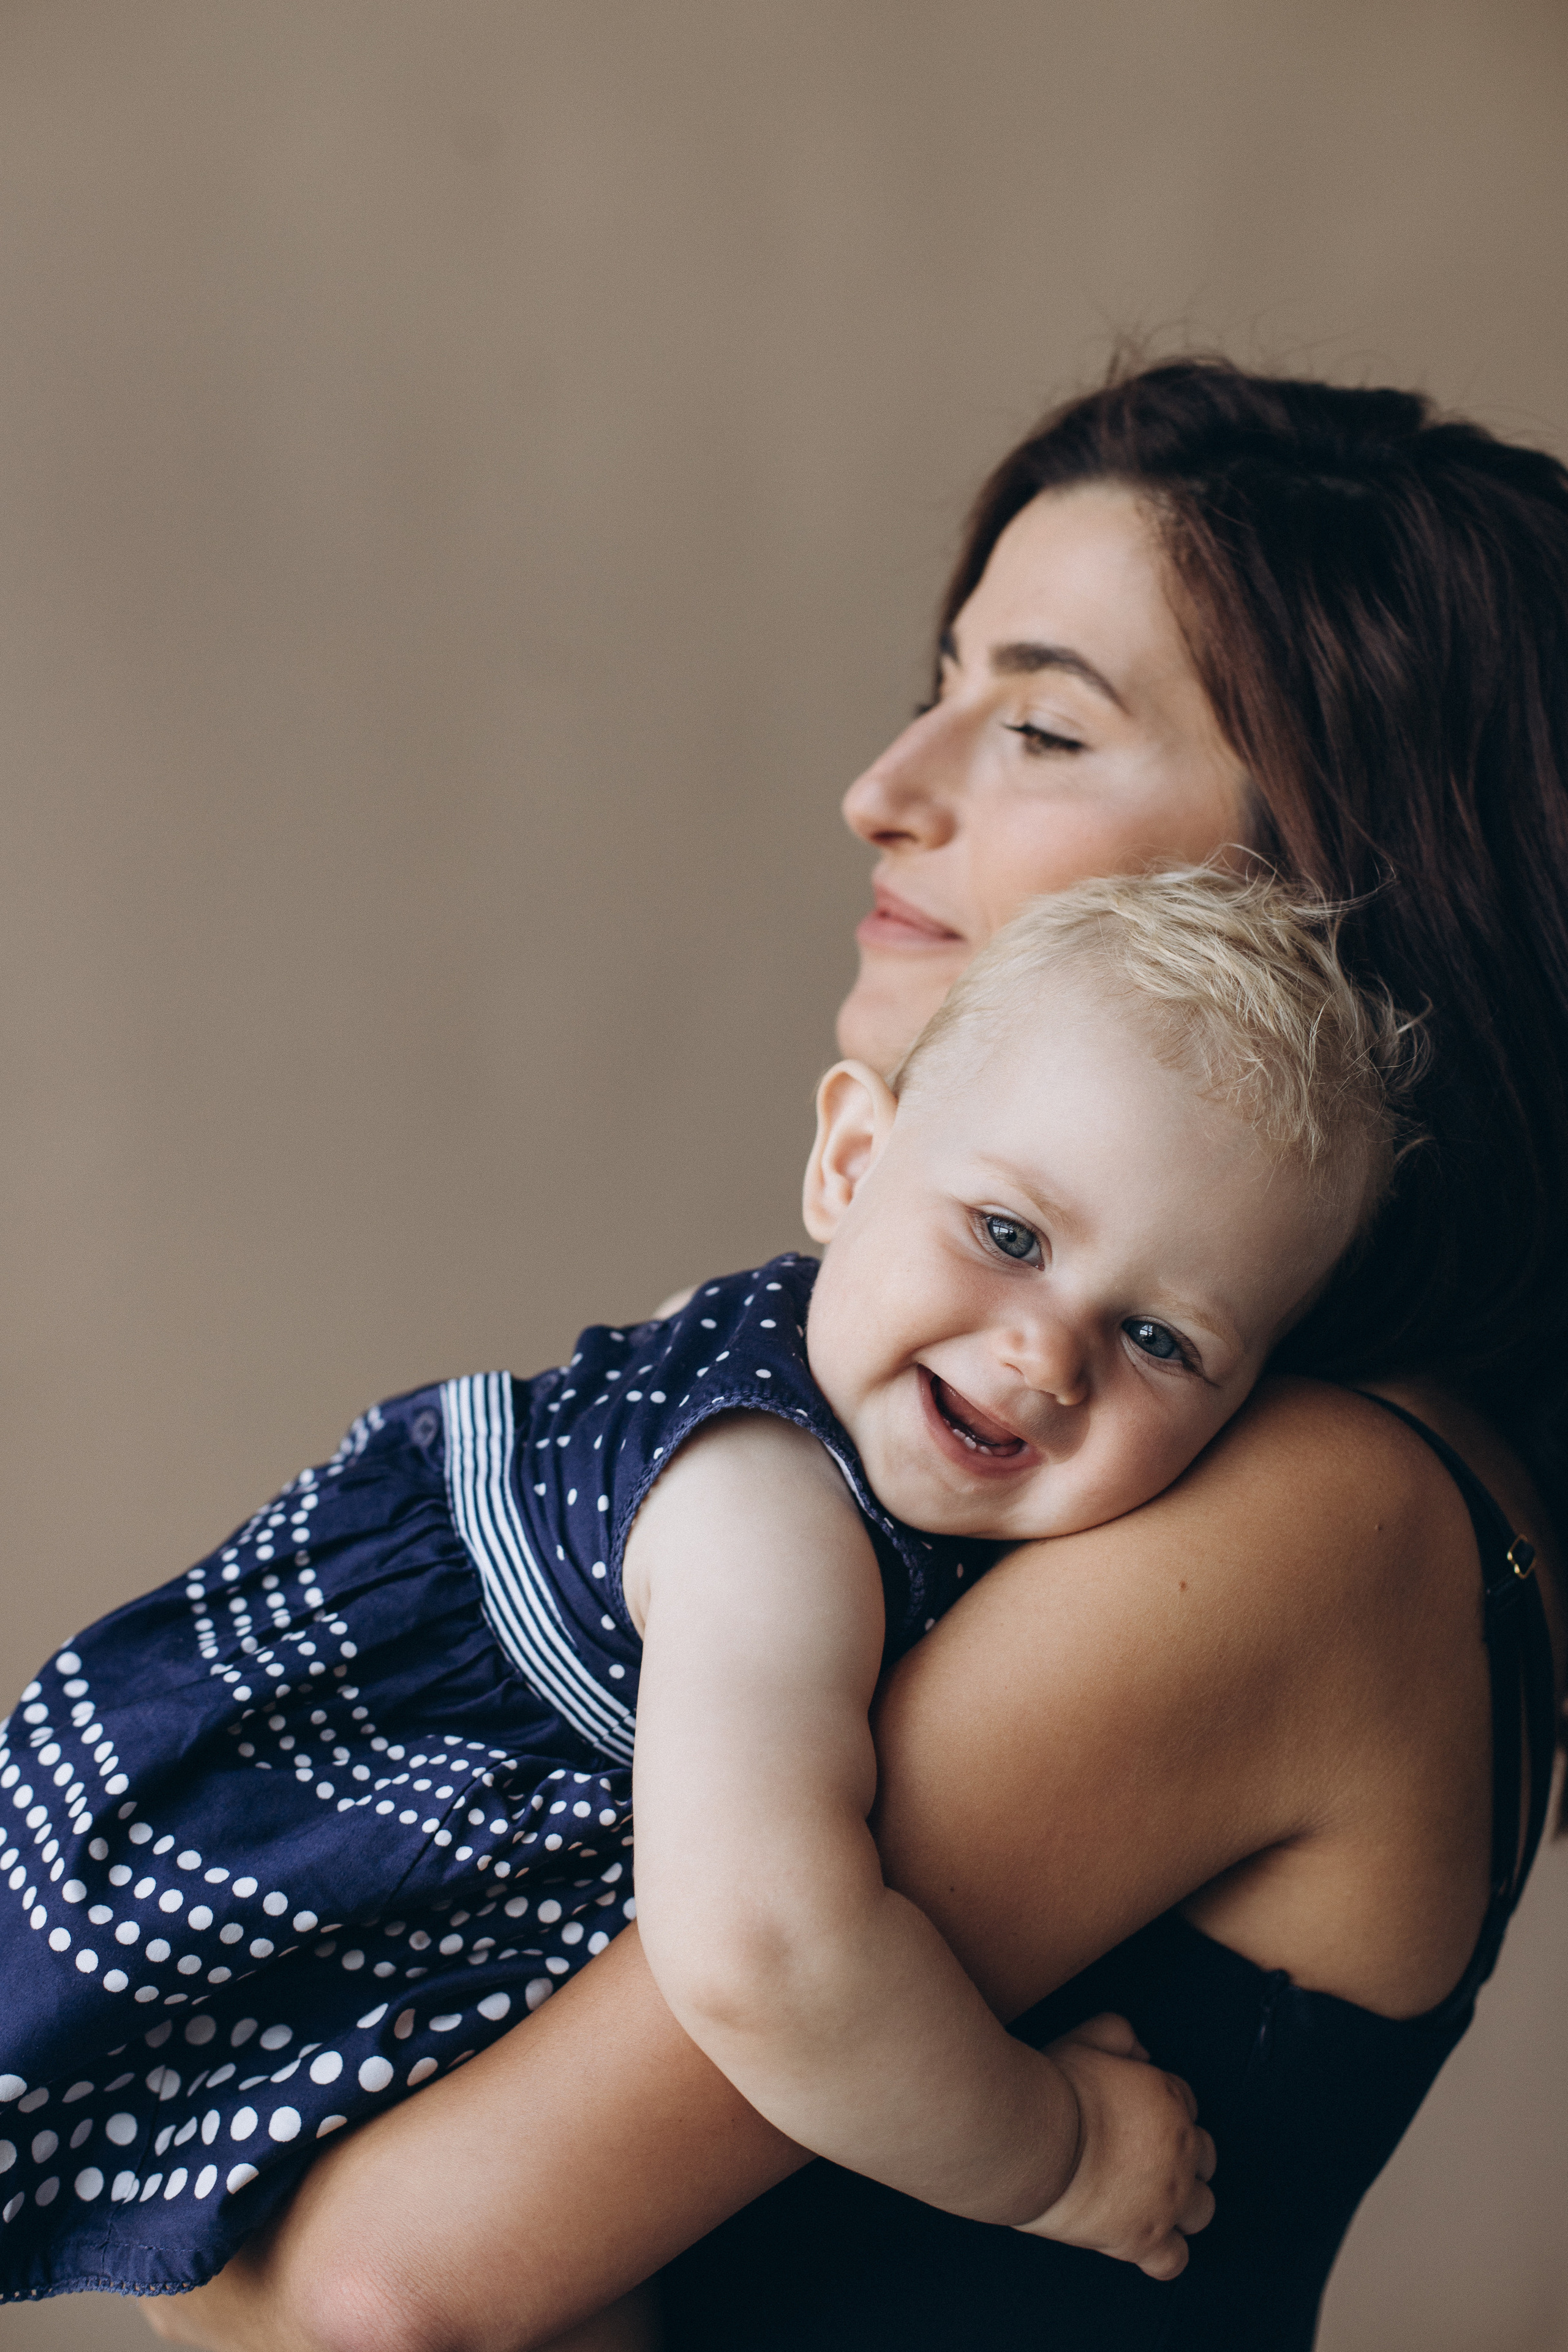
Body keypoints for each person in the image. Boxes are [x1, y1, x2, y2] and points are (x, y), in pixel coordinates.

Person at [138, 358, 1568, 2352]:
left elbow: (358, 2300)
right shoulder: (1236, 1460)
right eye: (945, 679)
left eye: (1045, 722)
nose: (887, 785)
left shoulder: (1312, 1517)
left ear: (1349, 871)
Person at [2, 867, 1413, 2309]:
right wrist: (1050, 2152)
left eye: (1161, 1340)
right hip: (274, 1847)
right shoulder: (769, 1530)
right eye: (1007, 1235)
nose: (1047, 1358)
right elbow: (765, 1954)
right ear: (850, 1163)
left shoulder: (764, 1340)